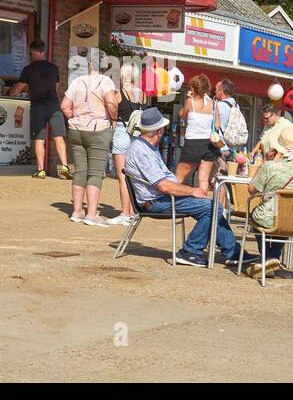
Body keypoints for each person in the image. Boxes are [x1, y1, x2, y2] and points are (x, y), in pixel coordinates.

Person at [124, 107, 254, 267]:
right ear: (158, 131)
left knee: (213, 207)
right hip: (158, 201)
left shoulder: (146, 147)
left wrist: (189, 191)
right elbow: (164, 186)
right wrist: (193, 190)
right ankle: (190, 251)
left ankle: (232, 251)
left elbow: (165, 183)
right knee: (212, 208)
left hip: (160, 197)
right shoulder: (142, 151)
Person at [245, 124, 293, 280]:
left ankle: (268, 257)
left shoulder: (270, 166)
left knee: (262, 216)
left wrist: (264, 162)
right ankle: (272, 258)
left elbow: (252, 190)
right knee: (287, 218)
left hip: (271, 216)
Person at [60, 50, 118, 227]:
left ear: (90, 64)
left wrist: (74, 118)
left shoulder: (77, 81)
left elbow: (64, 105)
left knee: (80, 171)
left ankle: (77, 211)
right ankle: (92, 214)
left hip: (77, 130)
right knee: (95, 173)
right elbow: (110, 102)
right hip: (98, 130)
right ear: (104, 66)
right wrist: (113, 118)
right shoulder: (105, 81)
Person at [10, 40, 71, 180]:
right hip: (54, 106)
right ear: (43, 51)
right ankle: (65, 168)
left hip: (38, 107)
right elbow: (56, 88)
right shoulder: (54, 68)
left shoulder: (28, 69)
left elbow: (17, 89)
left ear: (32, 52)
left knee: (39, 139)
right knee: (59, 137)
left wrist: (10, 92)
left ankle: (41, 170)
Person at [107, 61, 147, 226]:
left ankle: (125, 213)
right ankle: (132, 211)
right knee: (134, 176)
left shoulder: (119, 93)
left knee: (122, 176)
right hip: (138, 135)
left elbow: (112, 110)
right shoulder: (143, 94)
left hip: (123, 131)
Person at [176, 74, 218, 189]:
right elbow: (217, 124)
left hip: (192, 143)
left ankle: (171, 203)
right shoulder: (213, 104)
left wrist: (187, 98)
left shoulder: (190, 102)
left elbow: (182, 115)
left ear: (194, 88)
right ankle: (201, 203)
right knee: (203, 180)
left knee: (179, 178)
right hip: (209, 145)